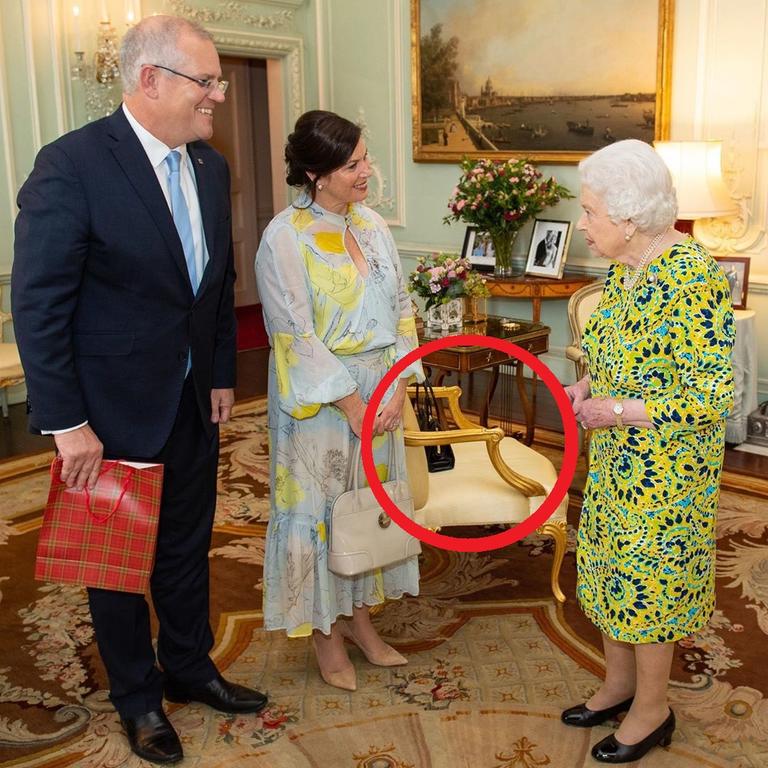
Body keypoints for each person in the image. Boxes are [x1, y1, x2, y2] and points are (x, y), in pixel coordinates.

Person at [12, 15, 267, 765]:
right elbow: (40, 305)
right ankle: (136, 698)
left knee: (186, 547)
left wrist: (221, 371)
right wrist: (66, 423)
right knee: (115, 564)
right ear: (149, 80)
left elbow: (213, 288)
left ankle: (189, 668)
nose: (217, 96)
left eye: (219, 80)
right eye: (207, 81)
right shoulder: (71, 166)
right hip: (108, 413)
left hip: (193, 401)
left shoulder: (211, 167)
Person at [561, 139, 734, 764]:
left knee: (649, 587)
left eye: (590, 211)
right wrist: (588, 386)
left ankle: (653, 709)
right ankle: (618, 685)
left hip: (667, 467)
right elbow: (617, 358)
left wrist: (621, 410)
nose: (582, 223)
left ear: (629, 218)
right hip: (616, 458)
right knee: (609, 571)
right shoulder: (627, 267)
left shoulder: (692, 276)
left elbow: (714, 394)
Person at [255, 110, 423, 693]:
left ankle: (361, 623)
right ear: (314, 172)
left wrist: (399, 383)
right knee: (324, 515)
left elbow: (403, 304)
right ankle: (327, 636)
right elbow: (294, 334)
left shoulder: (374, 225)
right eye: (353, 165)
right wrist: (354, 406)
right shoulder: (284, 236)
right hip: (321, 405)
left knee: (366, 511)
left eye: (365, 159)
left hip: (385, 390)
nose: (367, 172)